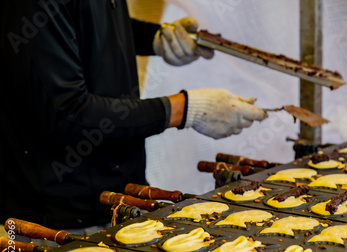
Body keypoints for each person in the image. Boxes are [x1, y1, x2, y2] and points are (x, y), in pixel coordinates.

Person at [0, 0, 267, 232]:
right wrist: (185, 109)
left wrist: (154, 38)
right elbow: (66, 112)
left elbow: (84, 21)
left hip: (122, 195)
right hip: (59, 218)